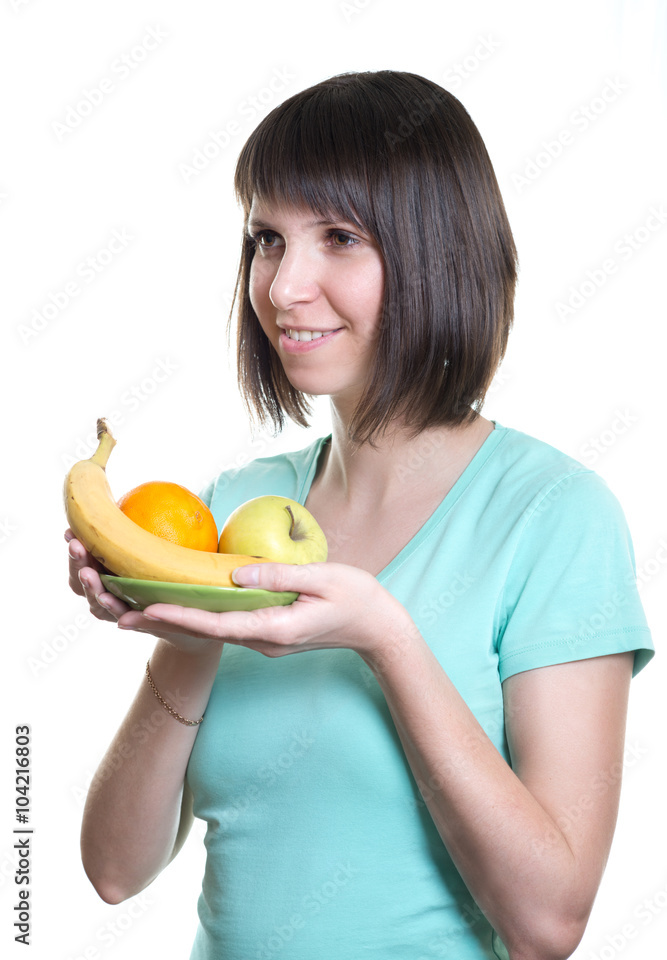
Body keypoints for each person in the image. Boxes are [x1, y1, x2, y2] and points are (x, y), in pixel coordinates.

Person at [66, 70, 654, 960]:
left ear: (438, 253)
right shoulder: (234, 505)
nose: (283, 286)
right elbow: (113, 871)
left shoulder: (554, 517)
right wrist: (187, 639)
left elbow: (547, 925)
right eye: (267, 239)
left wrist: (387, 639)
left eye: (337, 237)